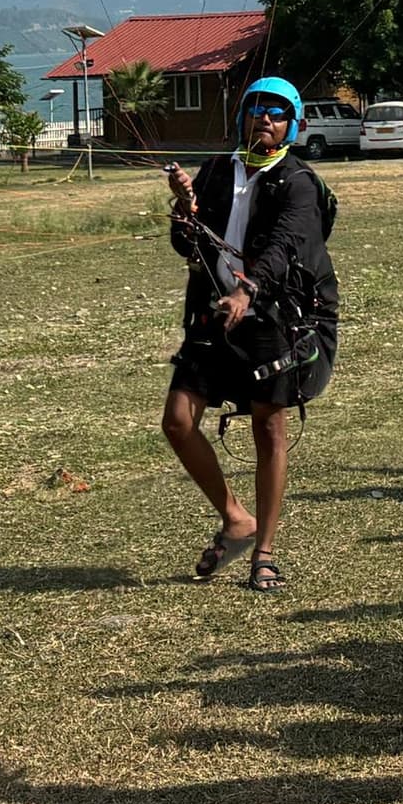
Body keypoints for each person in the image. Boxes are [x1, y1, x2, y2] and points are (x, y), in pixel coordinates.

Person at [158, 76, 340, 595]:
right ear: (241, 117)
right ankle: (237, 519)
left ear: (292, 125)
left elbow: (286, 245)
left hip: (276, 316)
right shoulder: (218, 169)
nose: (265, 118)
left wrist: (248, 291)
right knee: (177, 421)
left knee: (269, 427)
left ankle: (265, 552)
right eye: (257, 109)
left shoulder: (298, 181)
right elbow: (189, 245)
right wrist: (185, 209)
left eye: (277, 113)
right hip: (215, 313)